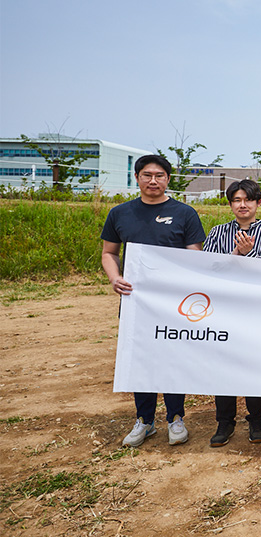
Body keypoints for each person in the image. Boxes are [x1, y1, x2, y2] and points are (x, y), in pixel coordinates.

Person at [101, 154, 206, 448]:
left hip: (173, 303)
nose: (153, 181)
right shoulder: (120, 213)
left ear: (168, 179)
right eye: (147, 175)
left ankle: (175, 418)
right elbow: (109, 253)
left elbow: (193, 257)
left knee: (173, 357)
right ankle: (144, 421)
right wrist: (114, 278)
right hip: (136, 302)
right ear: (137, 178)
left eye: (159, 175)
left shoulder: (184, 213)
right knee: (141, 358)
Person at [203, 179, 261, 447]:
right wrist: (237, 253)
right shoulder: (217, 233)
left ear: (258, 203)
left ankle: (256, 420)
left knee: (252, 365)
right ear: (230, 205)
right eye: (236, 200)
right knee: (223, 365)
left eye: (247, 200)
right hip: (223, 310)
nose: (242, 205)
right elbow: (208, 269)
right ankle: (224, 422)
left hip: (255, 312)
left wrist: (248, 258)